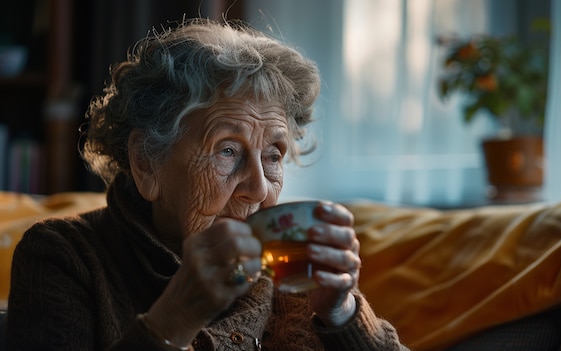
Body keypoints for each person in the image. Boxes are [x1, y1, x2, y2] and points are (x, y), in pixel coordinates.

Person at [6, 18, 409, 350]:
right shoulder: (64, 257)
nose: (257, 188)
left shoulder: (294, 269)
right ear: (147, 162)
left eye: (273, 156)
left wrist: (344, 315)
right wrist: (176, 317)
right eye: (228, 151)